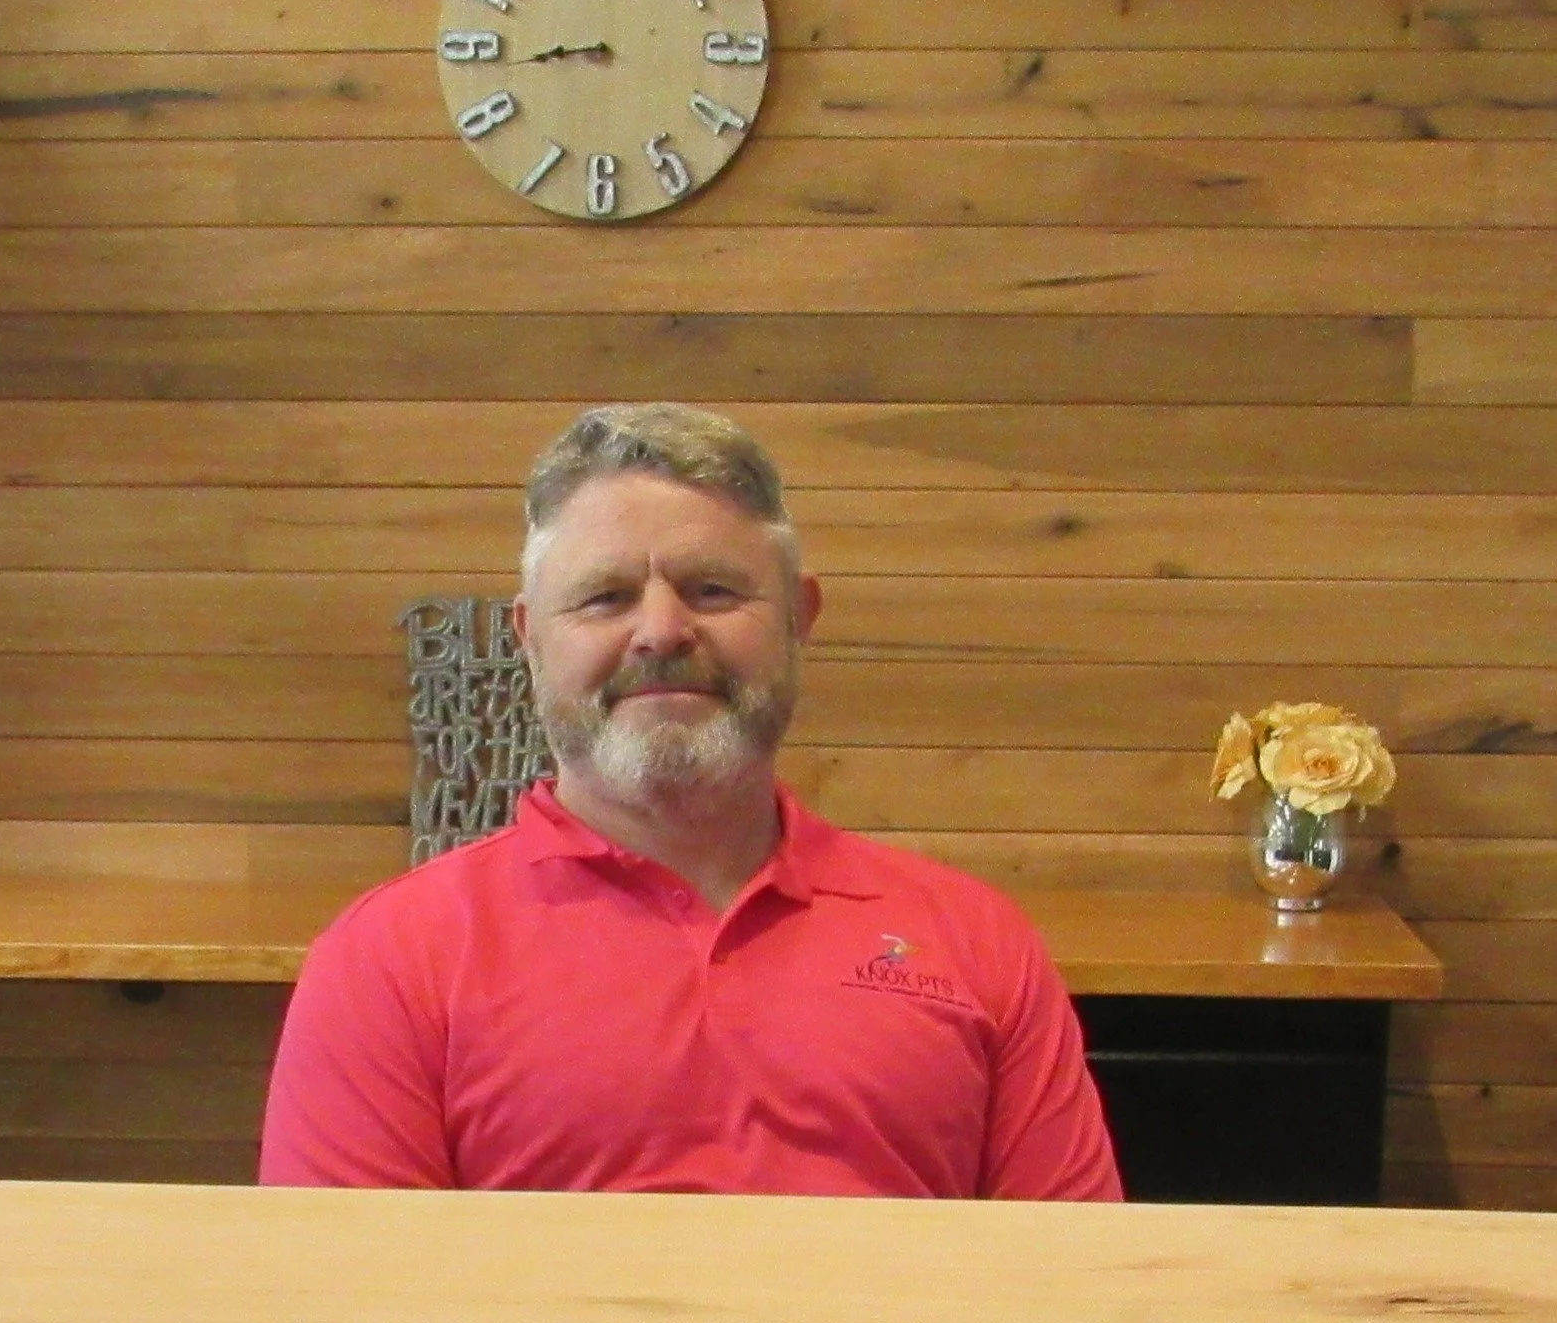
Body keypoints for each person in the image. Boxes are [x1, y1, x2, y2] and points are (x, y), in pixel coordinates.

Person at [259, 402, 1121, 1201]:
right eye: (605, 596)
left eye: (712, 590)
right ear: (529, 638)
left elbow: (1080, 1292)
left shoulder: (976, 941)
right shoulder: (388, 964)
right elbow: (353, 1322)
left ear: (798, 617)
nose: (661, 631)